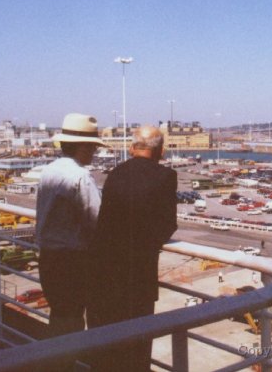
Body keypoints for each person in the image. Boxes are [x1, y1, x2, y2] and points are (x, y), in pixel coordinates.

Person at [88, 126, 177, 371]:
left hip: (105, 272)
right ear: (161, 151)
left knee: (108, 346)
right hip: (138, 274)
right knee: (138, 345)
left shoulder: (115, 173)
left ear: (131, 148)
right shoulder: (166, 176)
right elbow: (168, 224)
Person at [35, 113, 104, 338]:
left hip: (48, 258)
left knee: (59, 318)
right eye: (93, 146)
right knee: (71, 324)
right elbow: (97, 220)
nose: (95, 152)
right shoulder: (80, 176)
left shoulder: (49, 170)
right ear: (82, 147)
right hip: (71, 262)